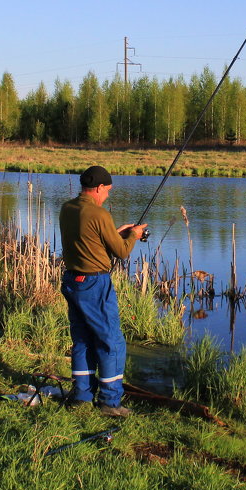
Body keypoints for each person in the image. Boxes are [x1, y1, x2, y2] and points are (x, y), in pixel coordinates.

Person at [58, 165, 148, 417]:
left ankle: (82, 396)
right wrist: (133, 236)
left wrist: (116, 232)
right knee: (111, 341)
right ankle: (110, 402)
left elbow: (88, 240)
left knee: (83, 339)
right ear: (98, 188)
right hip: (94, 284)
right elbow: (121, 252)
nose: (107, 195)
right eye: (107, 190)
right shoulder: (99, 214)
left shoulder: (68, 208)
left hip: (72, 282)